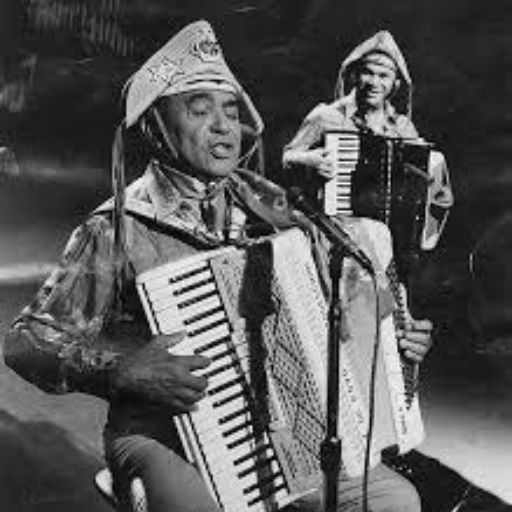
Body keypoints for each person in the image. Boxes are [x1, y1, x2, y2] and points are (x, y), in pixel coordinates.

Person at [3, 20, 432, 512]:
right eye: (200, 110)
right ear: (157, 127)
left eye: (230, 110)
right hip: (161, 433)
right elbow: (25, 342)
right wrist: (118, 371)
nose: (225, 125)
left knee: (397, 503)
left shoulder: (269, 201)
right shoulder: (115, 227)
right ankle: (133, 482)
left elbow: (340, 297)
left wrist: (394, 337)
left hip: (281, 430)